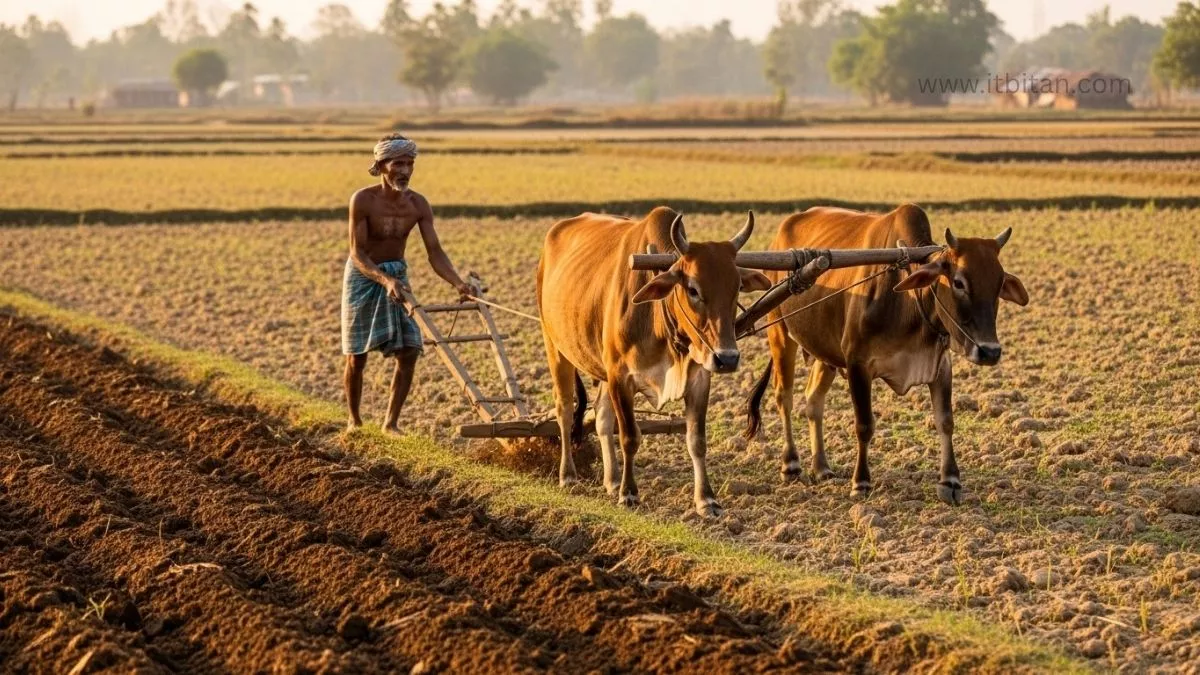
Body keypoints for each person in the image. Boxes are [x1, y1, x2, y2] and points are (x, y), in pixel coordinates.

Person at [342, 133, 472, 434]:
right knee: (356, 355)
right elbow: (357, 252)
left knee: (410, 349)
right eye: (398, 163)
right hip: (364, 275)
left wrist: (459, 284)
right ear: (381, 165)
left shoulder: (418, 204)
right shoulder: (363, 200)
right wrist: (383, 279)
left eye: (410, 163)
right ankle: (354, 421)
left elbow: (435, 252)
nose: (405, 170)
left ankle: (391, 423)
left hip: (397, 276)